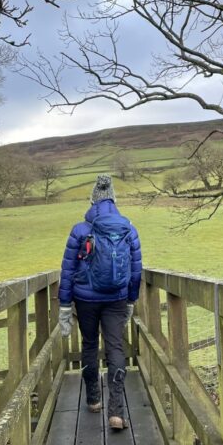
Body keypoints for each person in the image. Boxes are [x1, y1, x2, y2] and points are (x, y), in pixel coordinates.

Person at [58, 175, 142, 430]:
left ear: (92, 201)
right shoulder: (128, 227)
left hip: (85, 299)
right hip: (116, 298)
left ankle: (93, 399)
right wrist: (130, 300)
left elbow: (68, 269)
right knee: (116, 348)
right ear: (114, 200)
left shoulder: (80, 229)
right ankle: (116, 412)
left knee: (90, 344)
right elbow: (137, 270)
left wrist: (64, 305)